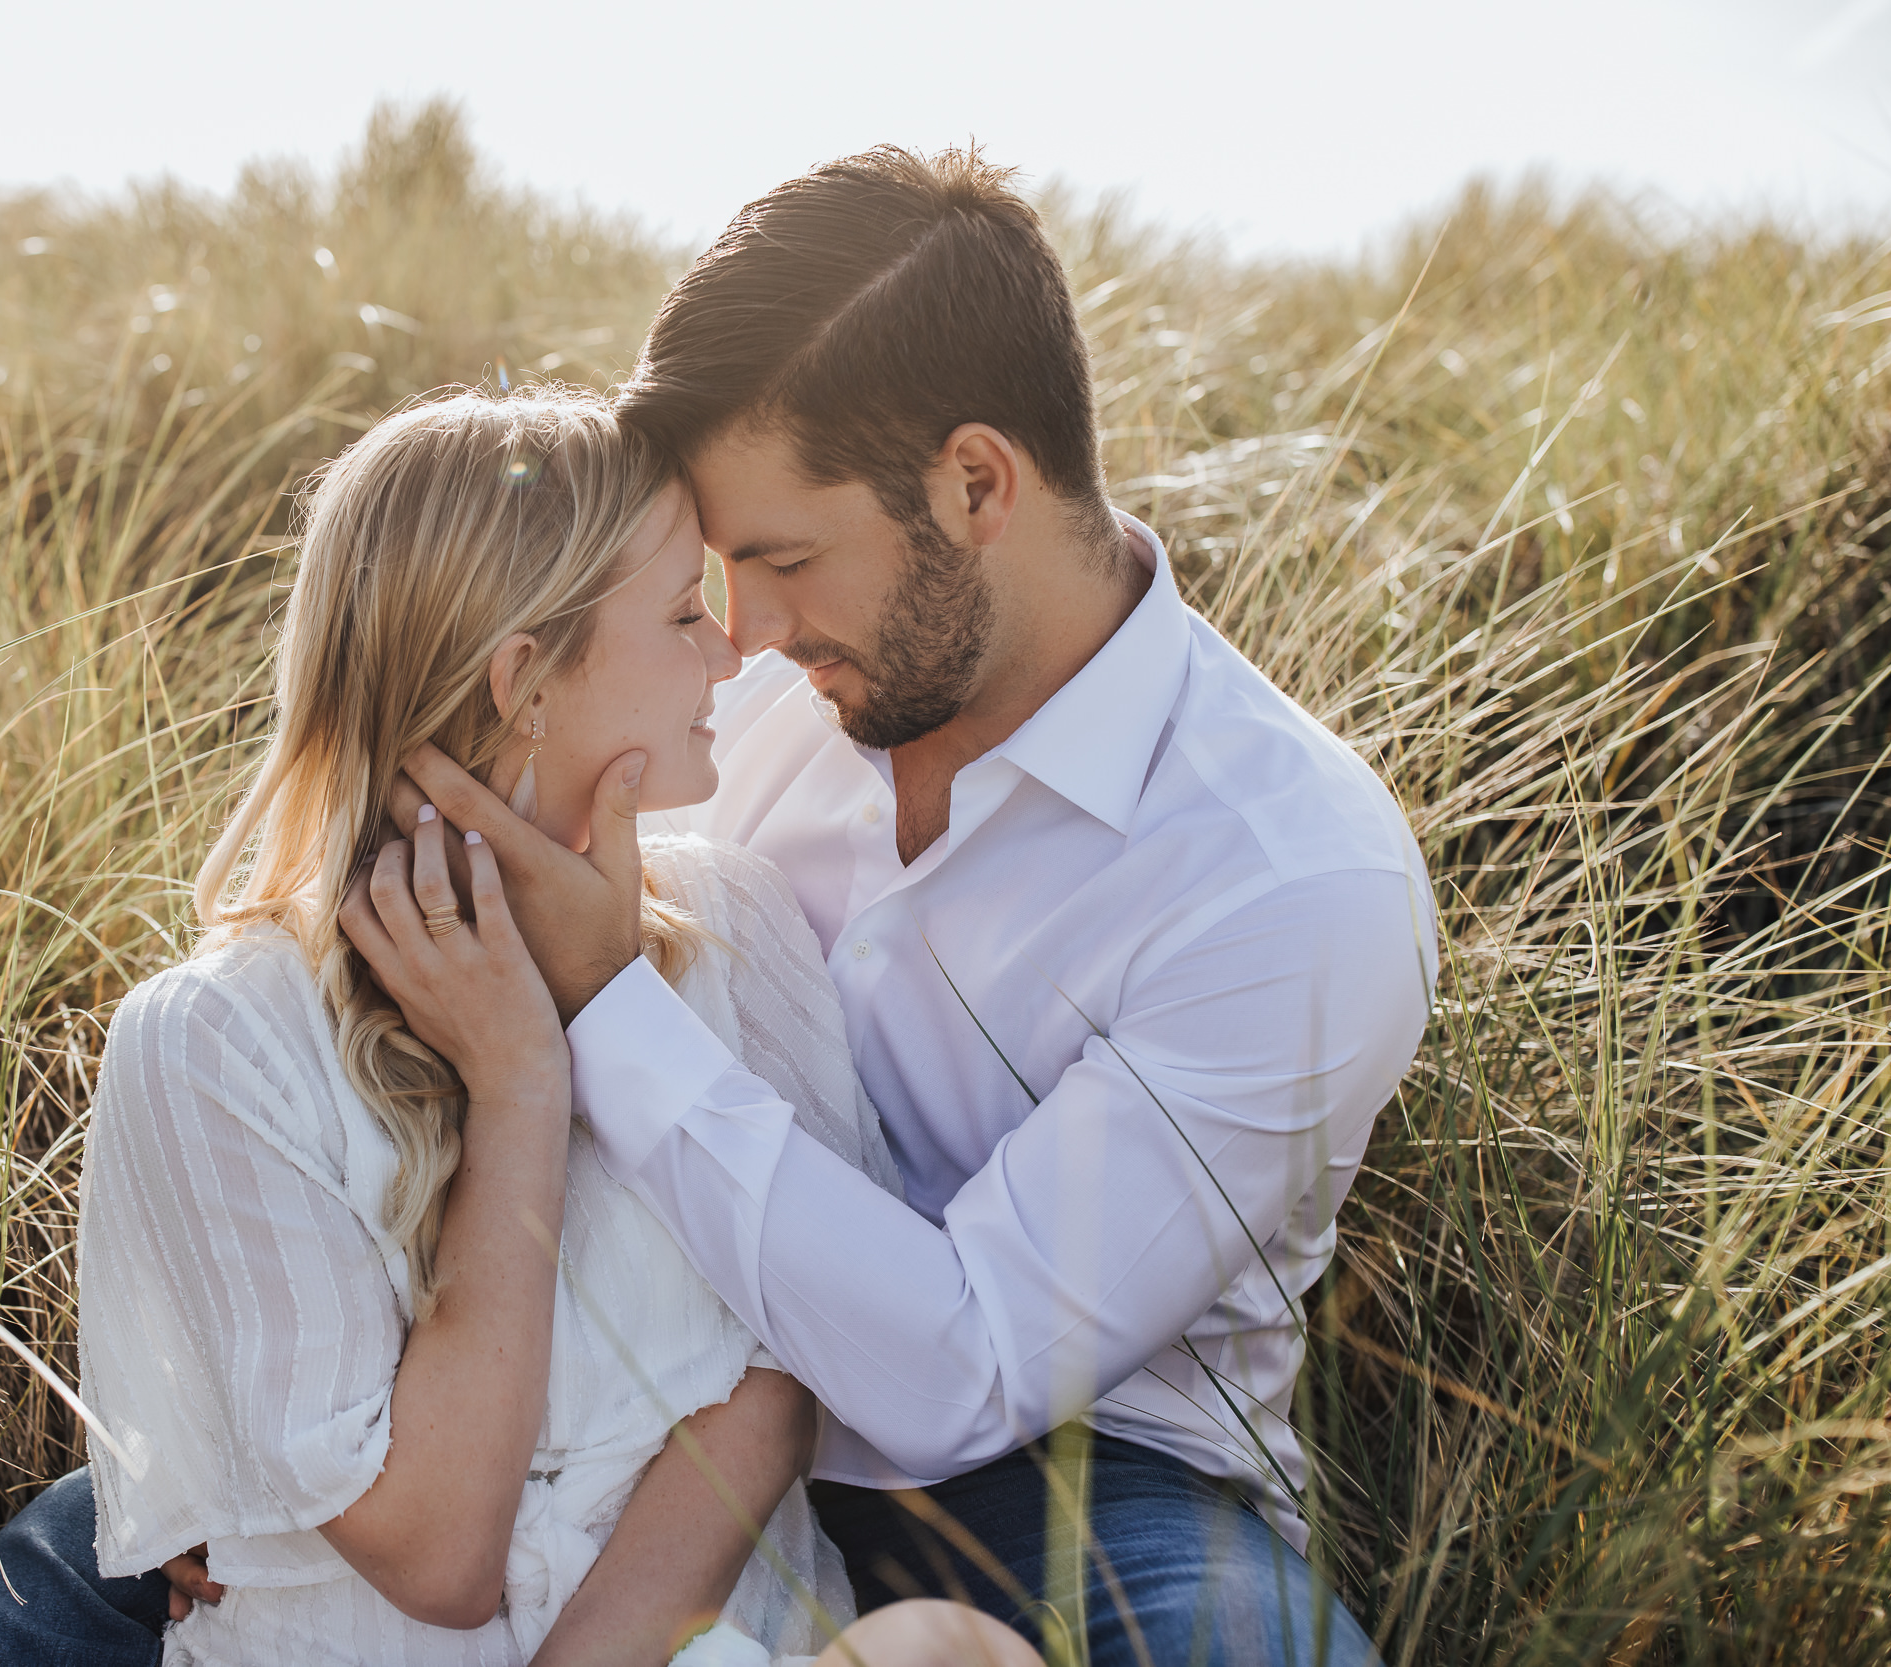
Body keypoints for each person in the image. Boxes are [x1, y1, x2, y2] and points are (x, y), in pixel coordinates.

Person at [358, 148, 1438, 1665]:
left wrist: (609, 999)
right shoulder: (762, 699)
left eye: (784, 561)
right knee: (75, 1564)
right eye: (720, 574)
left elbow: (965, 1367)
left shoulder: (1289, 878)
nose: (744, 633)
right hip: (654, 1373)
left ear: (978, 482)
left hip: (1061, 1470)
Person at [0, 389, 1037, 1667]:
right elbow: (438, 1554)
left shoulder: (733, 921)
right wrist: (522, 1081)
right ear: (524, 681)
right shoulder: (215, 1039)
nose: (728, 653)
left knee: (954, 1651)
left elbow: (782, 1376)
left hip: (683, 1644)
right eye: (683, 614)